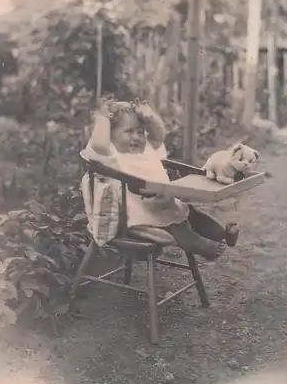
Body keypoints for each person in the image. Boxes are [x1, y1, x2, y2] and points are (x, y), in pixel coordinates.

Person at [80, 98, 241, 261]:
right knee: (177, 226)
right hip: (137, 215)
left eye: (140, 132)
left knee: (191, 214)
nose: (136, 137)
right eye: (129, 132)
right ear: (110, 134)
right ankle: (201, 245)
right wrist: (103, 118)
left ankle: (223, 233)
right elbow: (98, 144)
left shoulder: (145, 150)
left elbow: (159, 135)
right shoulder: (111, 156)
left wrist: (150, 117)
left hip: (162, 204)